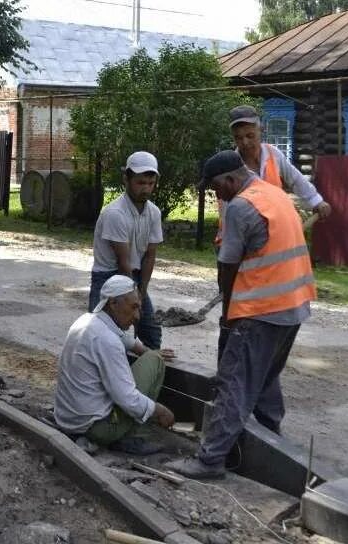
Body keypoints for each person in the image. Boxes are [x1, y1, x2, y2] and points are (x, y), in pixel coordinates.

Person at [166, 151, 316, 479]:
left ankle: (209, 460)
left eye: (216, 188)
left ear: (231, 180)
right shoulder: (274, 194)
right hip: (294, 307)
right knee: (263, 376)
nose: (214, 194)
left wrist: (228, 315)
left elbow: (228, 267)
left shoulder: (239, 207)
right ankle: (272, 440)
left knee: (234, 382)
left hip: (261, 311)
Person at [55, 275, 176, 455]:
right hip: (95, 428)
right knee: (155, 361)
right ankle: (135, 435)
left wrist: (143, 349)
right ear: (113, 303)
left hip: (67, 419)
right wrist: (160, 411)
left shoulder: (86, 321)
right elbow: (128, 399)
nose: (137, 316)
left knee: (150, 356)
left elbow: (122, 337)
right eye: (133, 307)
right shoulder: (108, 341)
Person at [213, 105, 331, 252]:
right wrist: (230, 244)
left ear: (260, 130)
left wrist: (316, 201)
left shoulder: (273, 154)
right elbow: (226, 210)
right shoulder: (231, 166)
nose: (245, 142)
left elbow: (295, 179)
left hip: (275, 234)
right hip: (243, 239)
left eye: (250, 136)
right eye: (238, 138)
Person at [89, 151, 164, 351]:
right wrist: (134, 298)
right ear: (126, 179)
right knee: (101, 334)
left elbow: (150, 255)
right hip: (108, 277)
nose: (146, 189)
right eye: (140, 183)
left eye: (150, 183)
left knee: (151, 332)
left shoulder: (153, 212)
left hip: (135, 275)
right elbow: (123, 262)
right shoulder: (115, 213)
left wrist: (143, 292)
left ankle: (148, 374)